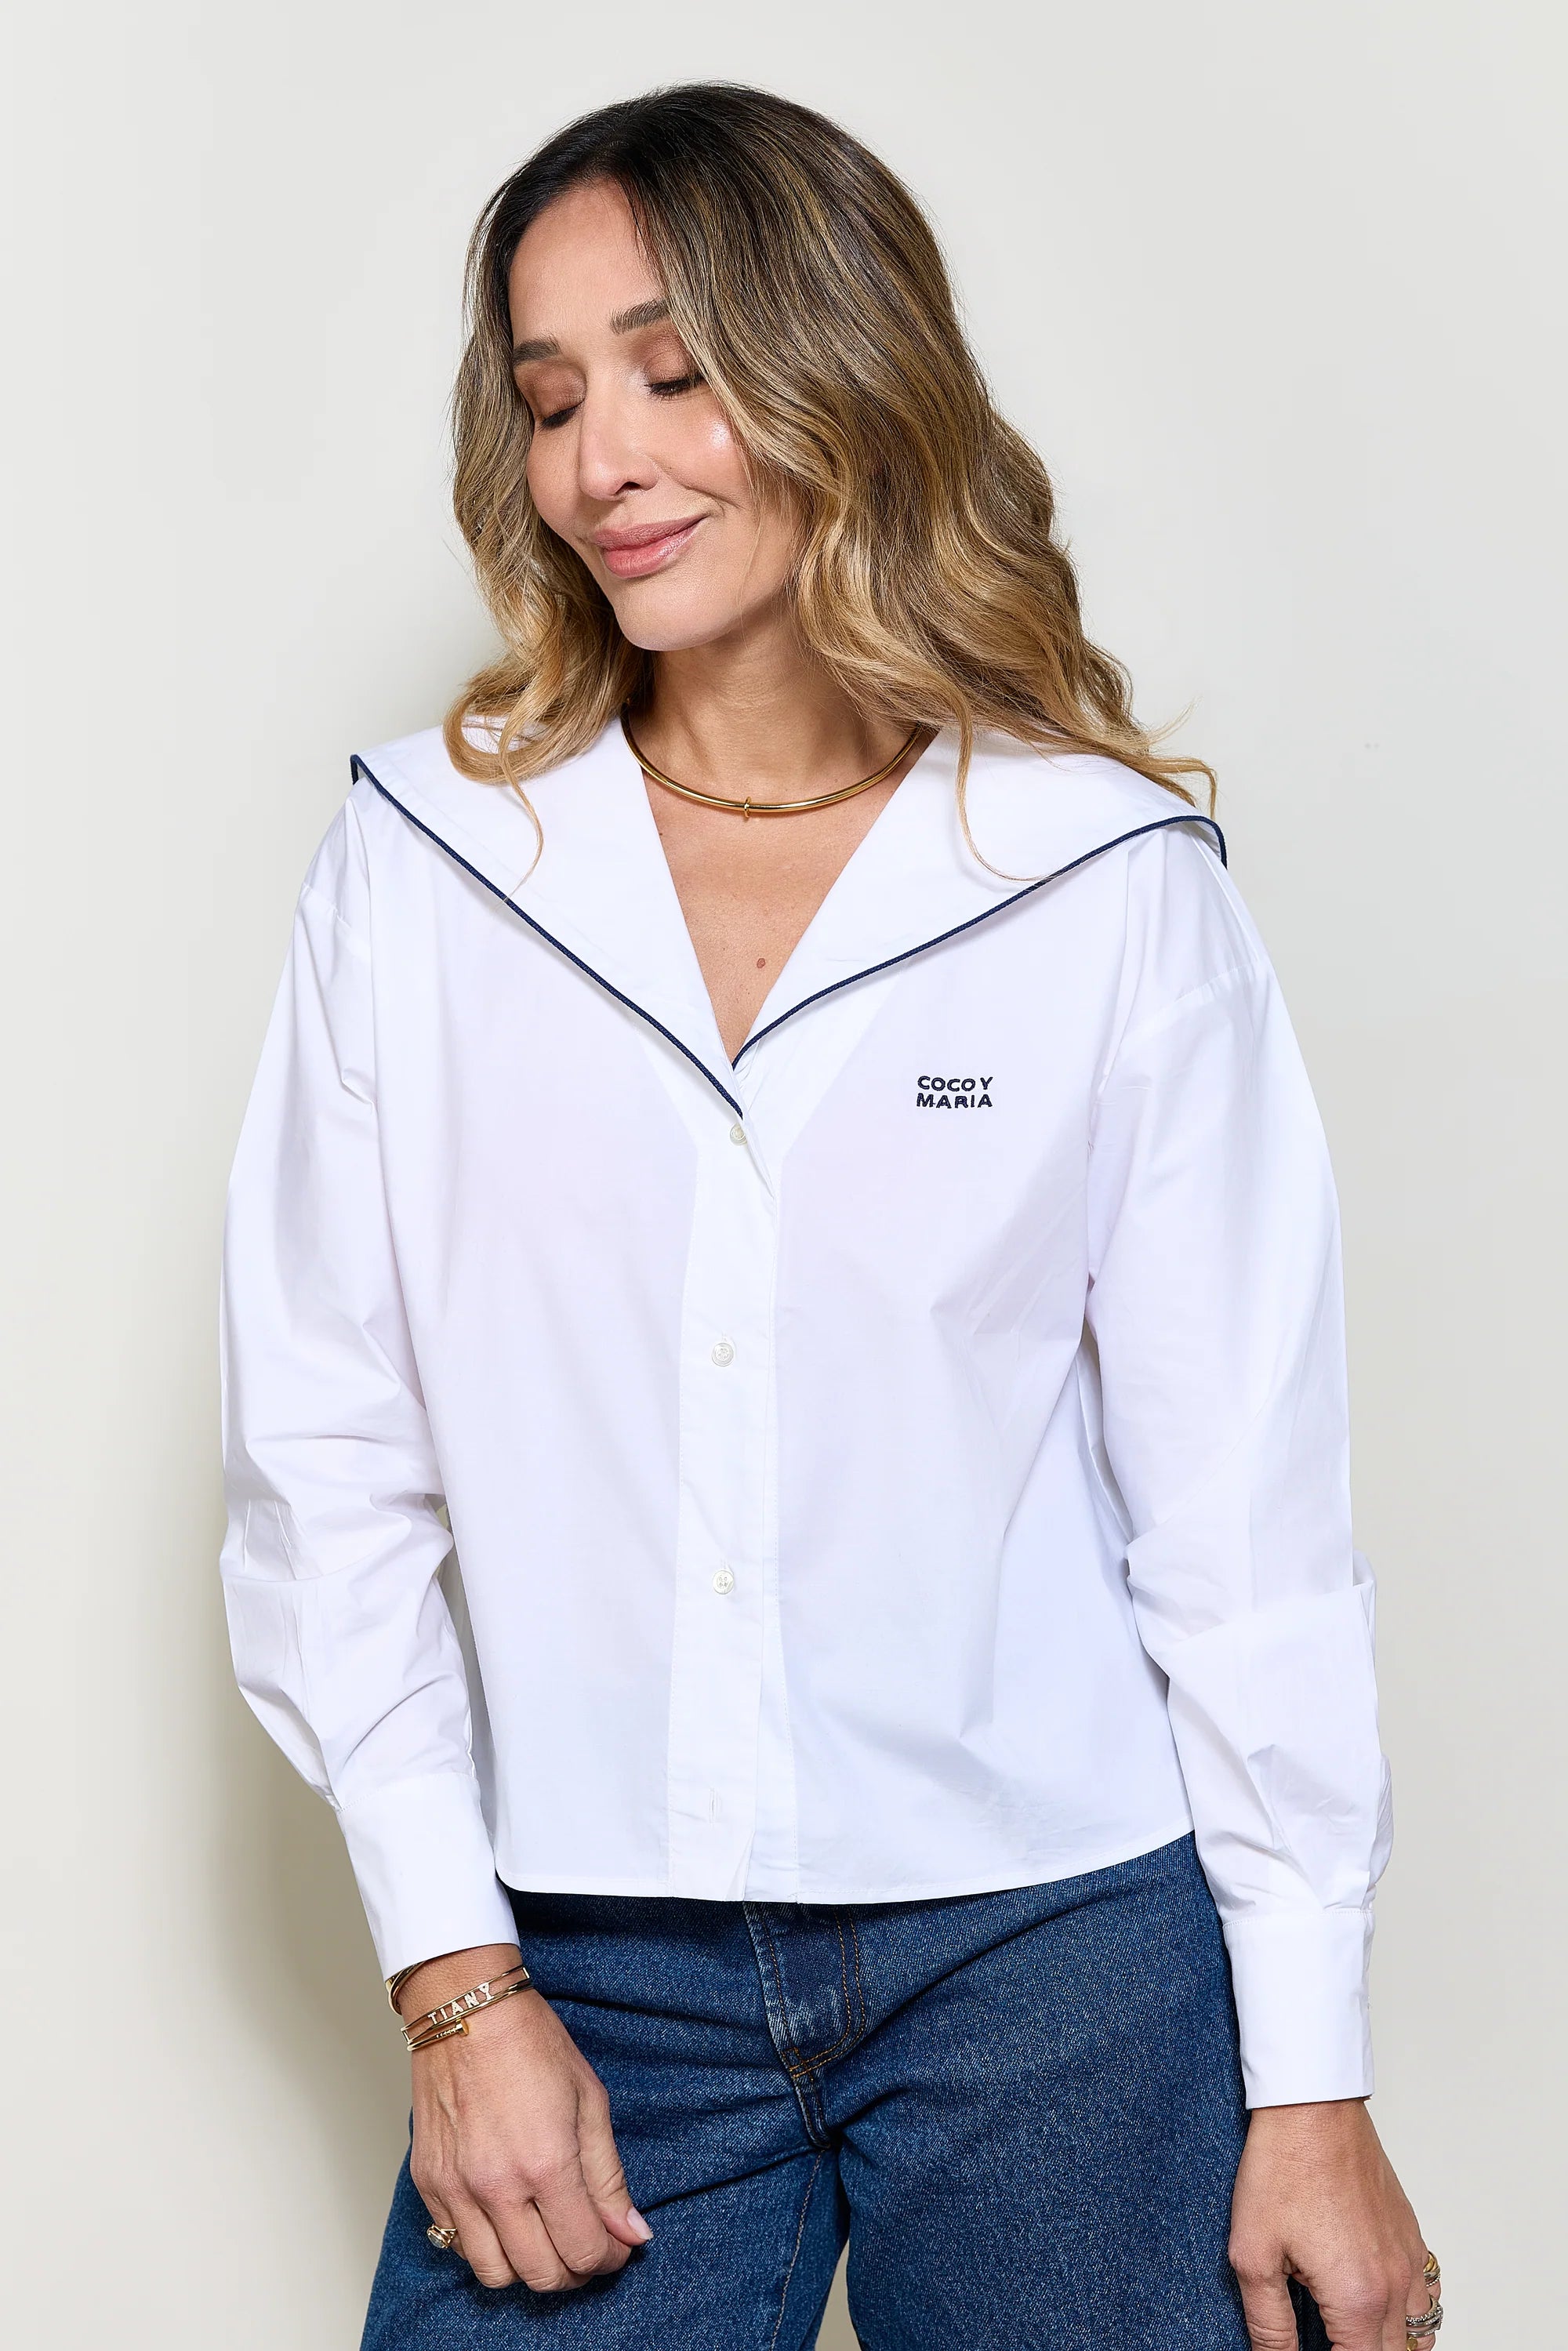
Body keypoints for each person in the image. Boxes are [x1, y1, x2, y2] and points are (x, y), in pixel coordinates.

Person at [220, 82, 1442, 2351]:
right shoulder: (425, 868)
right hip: (581, 1962)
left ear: (840, 369)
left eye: (676, 373)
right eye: (551, 399)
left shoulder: (1102, 884)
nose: (605, 462)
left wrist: (1313, 2077)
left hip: (1061, 1958)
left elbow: (1244, 1526)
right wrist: (455, 1982)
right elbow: (324, 1461)